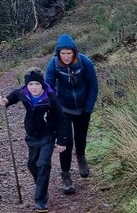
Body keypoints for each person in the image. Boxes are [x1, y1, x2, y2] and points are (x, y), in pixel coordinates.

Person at [0, 68, 70, 213]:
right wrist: (7, 100)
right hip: (32, 135)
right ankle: (42, 186)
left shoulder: (51, 98)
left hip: (48, 135)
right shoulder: (24, 92)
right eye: (30, 84)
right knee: (32, 164)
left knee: (43, 163)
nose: (34, 87)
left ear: (42, 84)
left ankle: (40, 199)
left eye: (37, 84)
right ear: (27, 85)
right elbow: (14, 94)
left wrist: (62, 140)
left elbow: (62, 119)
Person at [44, 33, 99, 194]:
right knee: (65, 142)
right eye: (63, 53)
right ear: (58, 53)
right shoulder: (54, 65)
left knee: (81, 137)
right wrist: (55, 108)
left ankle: (81, 157)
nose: (66, 56)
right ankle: (66, 175)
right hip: (64, 109)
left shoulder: (85, 62)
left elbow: (93, 85)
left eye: (69, 53)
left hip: (83, 108)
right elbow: (49, 88)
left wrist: (88, 107)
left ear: (74, 52)